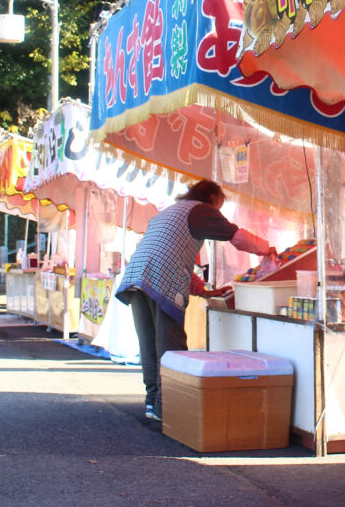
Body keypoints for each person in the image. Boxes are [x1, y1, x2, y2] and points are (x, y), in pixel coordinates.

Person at [115, 179, 275, 421]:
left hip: (136, 277)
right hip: (160, 278)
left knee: (149, 343)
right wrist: (267, 249)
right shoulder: (201, 211)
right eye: (220, 204)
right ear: (212, 198)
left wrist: (203, 291)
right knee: (171, 345)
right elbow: (237, 236)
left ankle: (152, 402)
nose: (219, 212)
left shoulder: (169, 212)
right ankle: (167, 407)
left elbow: (174, 256)